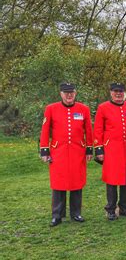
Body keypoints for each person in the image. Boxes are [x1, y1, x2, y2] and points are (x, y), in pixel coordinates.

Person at [39, 83, 93, 227]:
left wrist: (89, 149)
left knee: (77, 182)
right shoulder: (51, 109)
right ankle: (57, 215)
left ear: (75, 93)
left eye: (72, 92)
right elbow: (45, 131)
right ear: (61, 94)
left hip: (77, 152)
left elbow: (88, 130)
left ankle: (76, 213)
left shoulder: (83, 109)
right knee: (58, 183)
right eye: (66, 92)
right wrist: (44, 150)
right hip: (58, 152)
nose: (69, 95)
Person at [94, 82, 126, 220]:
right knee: (112, 180)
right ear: (111, 92)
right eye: (115, 91)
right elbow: (98, 130)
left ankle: (124, 208)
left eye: (121, 91)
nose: (118, 93)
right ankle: (111, 209)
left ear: (124, 92)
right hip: (111, 149)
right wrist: (99, 149)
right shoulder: (103, 108)